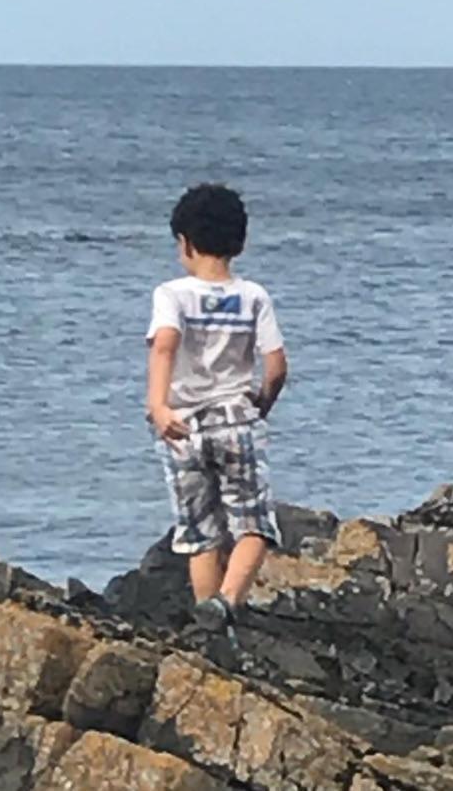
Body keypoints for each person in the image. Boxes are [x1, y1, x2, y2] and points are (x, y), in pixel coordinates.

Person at [145, 182, 288, 633]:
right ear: (239, 243)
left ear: (184, 243)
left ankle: (209, 616)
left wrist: (158, 405)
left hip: (182, 424)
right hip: (236, 418)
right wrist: (262, 402)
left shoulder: (171, 294)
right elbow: (277, 366)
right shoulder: (254, 296)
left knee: (198, 531)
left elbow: (165, 346)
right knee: (254, 525)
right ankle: (227, 602)